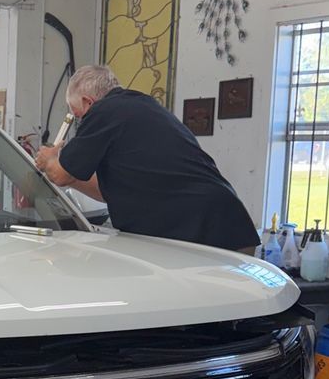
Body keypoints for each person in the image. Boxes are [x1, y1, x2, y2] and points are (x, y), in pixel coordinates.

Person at [34, 64, 257, 252]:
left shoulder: (103, 112)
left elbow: (61, 175)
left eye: (76, 114)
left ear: (88, 102)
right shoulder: (143, 106)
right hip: (229, 224)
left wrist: (48, 159)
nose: (78, 121)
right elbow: (106, 192)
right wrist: (67, 173)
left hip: (199, 233)